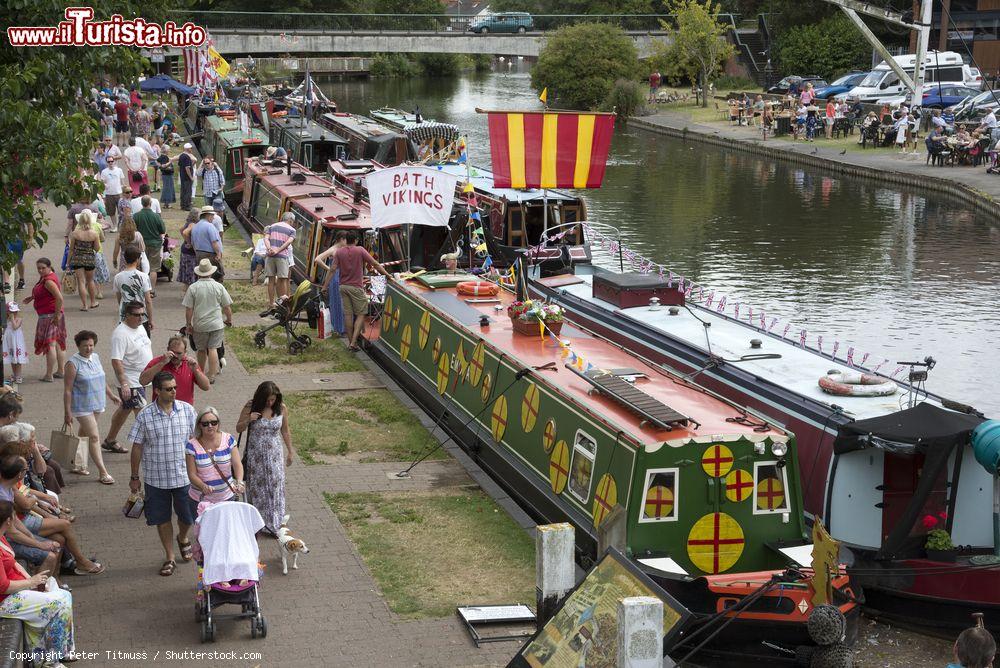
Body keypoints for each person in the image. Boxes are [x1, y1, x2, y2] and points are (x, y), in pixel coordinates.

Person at [128, 371, 198, 576]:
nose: (174, 391)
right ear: (157, 391)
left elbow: (196, 443)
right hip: (155, 479)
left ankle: (183, 538)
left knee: (188, 516)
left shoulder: (187, 411)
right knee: (162, 518)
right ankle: (169, 556)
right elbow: (137, 447)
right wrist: (134, 477)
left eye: (175, 387)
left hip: (184, 476)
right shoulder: (145, 415)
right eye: (169, 389)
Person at [0, 500, 77, 666]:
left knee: (56, 588)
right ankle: (50, 661)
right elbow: (3, 586)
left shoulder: (2, 537)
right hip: (5, 600)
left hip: (17, 588)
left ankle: (58, 651)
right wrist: (31, 581)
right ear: (8, 521)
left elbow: (12, 562)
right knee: (60, 601)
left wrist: (31, 581)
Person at [236, 382, 294, 535]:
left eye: (273, 399)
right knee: (258, 489)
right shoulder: (251, 406)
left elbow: (285, 431)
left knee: (275, 487)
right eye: (267, 400)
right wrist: (249, 418)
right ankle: (258, 522)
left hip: (274, 455)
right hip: (256, 456)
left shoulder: (281, 408)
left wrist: (290, 451)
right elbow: (239, 428)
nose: (270, 403)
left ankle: (275, 524)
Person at [63, 330, 119, 483]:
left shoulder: (96, 357)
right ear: (78, 346)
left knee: (84, 433)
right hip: (82, 406)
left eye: (91, 345)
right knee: (94, 437)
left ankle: (78, 464)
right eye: (85, 346)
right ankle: (103, 472)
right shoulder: (72, 364)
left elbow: (101, 378)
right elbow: (67, 390)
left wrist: (111, 395)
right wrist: (67, 412)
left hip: (97, 402)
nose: (88, 348)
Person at [327, 230, 391, 351]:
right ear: (355, 240)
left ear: (346, 240)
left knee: (348, 315)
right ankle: (353, 342)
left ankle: (351, 343)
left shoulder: (339, 252)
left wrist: (325, 286)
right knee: (361, 314)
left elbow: (332, 269)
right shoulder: (360, 250)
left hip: (343, 287)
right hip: (356, 287)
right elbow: (375, 264)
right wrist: (387, 275)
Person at [103, 301, 153, 454]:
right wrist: (124, 383)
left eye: (142, 314)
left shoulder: (140, 327)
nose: (140, 318)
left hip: (143, 377)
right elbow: (116, 360)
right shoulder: (120, 334)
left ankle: (110, 440)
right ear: (127, 315)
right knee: (142, 414)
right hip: (131, 381)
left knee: (125, 408)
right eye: (137, 315)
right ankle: (148, 448)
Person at [185, 406, 244, 517]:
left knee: (227, 531)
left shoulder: (228, 439)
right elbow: (191, 474)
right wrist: (202, 486)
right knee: (205, 533)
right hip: (201, 500)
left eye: (214, 422)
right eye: (205, 424)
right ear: (199, 425)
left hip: (226, 497)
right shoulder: (192, 445)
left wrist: (240, 481)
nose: (210, 426)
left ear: (218, 423)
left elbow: (237, 465)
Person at [182, 259, 233, 383]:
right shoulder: (218, 286)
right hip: (216, 323)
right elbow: (227, 307)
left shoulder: (193, 288)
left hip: (200, 325)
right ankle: (211, 375)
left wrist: (188, 324)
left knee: (201, 349)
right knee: (213, 348)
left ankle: (199, 372)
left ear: (198, 273)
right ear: (211, 273)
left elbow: (189, 309)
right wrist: (229, 319)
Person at [22, 258, 66, 383]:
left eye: (43, 268)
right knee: (58, 342)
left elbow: (59, 298)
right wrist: (33, 297)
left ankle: (49, 374)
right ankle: (60, 370)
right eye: (38, 268)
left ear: (49, 267)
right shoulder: (48, 276)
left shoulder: (48, 281)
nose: (40, 270)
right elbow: (47, 293)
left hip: (49, 316)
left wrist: (56, 316)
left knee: (50, 345)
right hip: (54, 314)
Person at [139, 335, 210, 406]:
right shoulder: (158, 362)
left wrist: (196, 370)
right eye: (172, 352)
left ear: (185, 352)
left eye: (179, 353)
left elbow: (206, 387)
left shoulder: (190, 364)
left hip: (184, 411)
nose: (175, 356)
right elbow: (143, 381)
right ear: (167, 349)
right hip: (161, 410)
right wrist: (162, 363)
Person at [313, 230, 348, 337]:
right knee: (338, 302)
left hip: (341, 277)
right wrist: (329, 268)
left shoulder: (341, 249)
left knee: (341, 302)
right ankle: (339, 328)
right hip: (336, 277)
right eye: (346, 240)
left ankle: (340, 328)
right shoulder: (333, 249)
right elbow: (318, 259)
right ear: (341, 239)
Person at [112, 246, 154, 331]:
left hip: (125, 315)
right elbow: (148, 301)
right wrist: (151, 319)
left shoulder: (118, 277)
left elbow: (119, 298)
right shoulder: (144, 276)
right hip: (141, 316)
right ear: (137, 259)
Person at [67, 209, 100, 312]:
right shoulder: (94, 234)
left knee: (81, 281)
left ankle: (84, 305)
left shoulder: (75, 234)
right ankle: (93, 302)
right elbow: (97, 248)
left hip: (77, 259)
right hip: (89, 259)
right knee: (90, 281)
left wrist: (68, 262)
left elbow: (71, 249)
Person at [263, 212, 297, 305]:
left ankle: (271, 303)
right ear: (290, 220)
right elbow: (288, 242)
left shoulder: (272, 226)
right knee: (283, 280)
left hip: (270, 256)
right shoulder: (292, 230)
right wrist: (278, 250)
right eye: (293, 221)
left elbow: (266, 238)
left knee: (271, 280)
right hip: (282, 257)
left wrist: (270, 248)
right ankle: (282, 303)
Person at [133, 196, 165, 292]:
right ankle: (151, 290)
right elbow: (162, 230)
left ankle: (142, 288)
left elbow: (134, 229)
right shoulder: (156, 216)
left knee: (141, 266)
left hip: (141, 245)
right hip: (155, 244)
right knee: (153, 268)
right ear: (150, 203)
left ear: (142, 203)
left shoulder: (136, 216)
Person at [191, 206, 224, 279]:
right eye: (212, 215)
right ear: (208, 215)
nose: (213, 217)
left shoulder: (195, 226)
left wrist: (196, 252)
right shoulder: (210, 226)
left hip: (199, 253)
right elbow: (214, 242)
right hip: (210, 255)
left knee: (202, 275)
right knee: (214, 275)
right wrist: (218, 253)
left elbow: (193, 242)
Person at [3, 303, 28, 385]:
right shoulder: (6, 320)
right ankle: (14, 374)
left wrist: (12, 318)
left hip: (17, 342)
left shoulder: (19, 319)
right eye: (12, 312)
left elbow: (15, 327)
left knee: (18, 360)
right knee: (12, 358)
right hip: (10, 343)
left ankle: (19, 376)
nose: (14, 313)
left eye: (15, 311)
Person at [99, 157, 126, 229]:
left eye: (112, 161)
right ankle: (115, 226)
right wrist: (104, 189)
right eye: (109, 162)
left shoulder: (119, 170)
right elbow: (102, 182)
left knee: (121, 211)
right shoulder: (104, 172)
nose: (110, 163)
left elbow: (123, 181)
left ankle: (121, 225)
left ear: (114, 161)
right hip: (109, 194)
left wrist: (124, 191)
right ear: (107, 163)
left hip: (118, 193)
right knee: (111, 212)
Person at [177, 210, 199, 291]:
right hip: (190, 253)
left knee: (186, 274)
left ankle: (186, 293)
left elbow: (181, 230)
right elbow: (185, 232)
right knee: (191, 274)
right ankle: (189, 295)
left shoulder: (188, 223)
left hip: (184, 251)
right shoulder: (193, 224)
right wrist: (189, 242)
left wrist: (185, 240)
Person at [178, 143, 196, 211]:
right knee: (188, 192)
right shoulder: (187, 157)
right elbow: (187, 168)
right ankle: (187, 206)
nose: (191, 149)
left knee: (183, 191)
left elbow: (180, 166)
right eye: (191, 148)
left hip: (182, 177)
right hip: (187, 178)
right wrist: (191, 177)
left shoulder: (181, 156)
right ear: (188, 149)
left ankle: (182, 205)